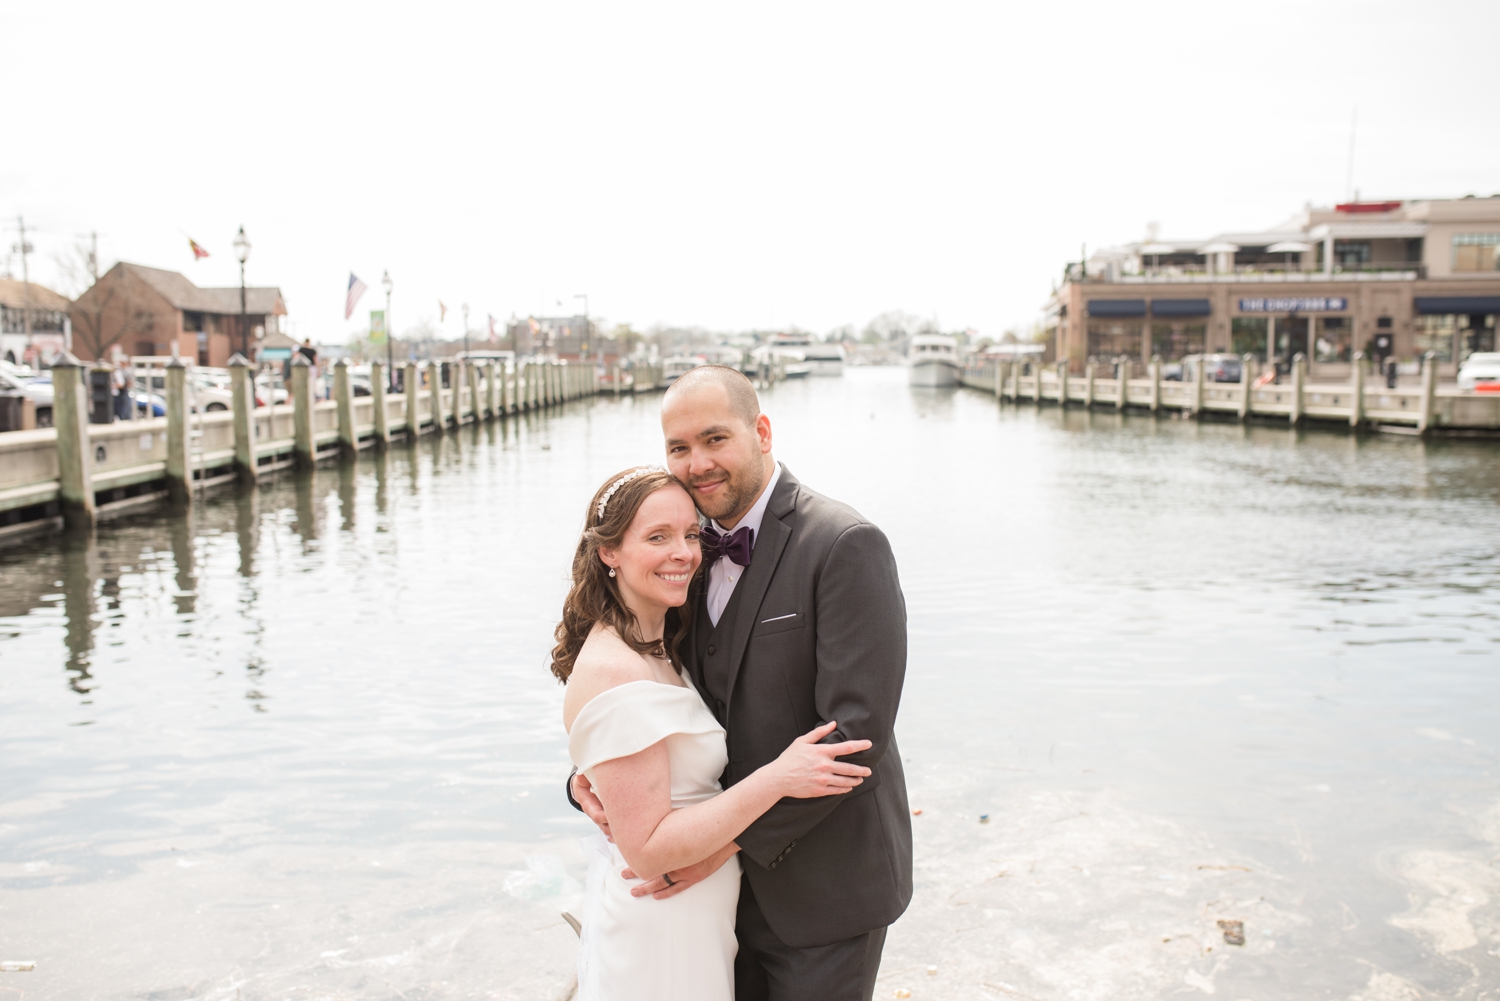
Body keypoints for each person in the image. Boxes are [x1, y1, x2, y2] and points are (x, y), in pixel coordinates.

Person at [570, 366, 913, 1001]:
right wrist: (589, 778)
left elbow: (855, 736)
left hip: (822, 890)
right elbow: (640, 700)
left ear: (761, 432)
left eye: (714, 439)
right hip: (708, 904)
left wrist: (717, 845)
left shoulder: (844, 544)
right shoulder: (682, 555)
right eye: (678, 448)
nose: (697, 463)